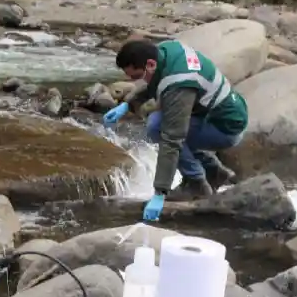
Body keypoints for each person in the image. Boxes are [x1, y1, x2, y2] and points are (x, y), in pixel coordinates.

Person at [102, 39, 249, 221]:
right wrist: (128, 105)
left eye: (137, 76)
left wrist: (159, 193)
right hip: (217, 116)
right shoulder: (166, 50)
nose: (137, 81)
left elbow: (172, 140)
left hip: (225, 128)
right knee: (160, 122)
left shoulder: (179, 85)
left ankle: (196, 183)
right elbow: (156, 81)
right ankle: (213, 171)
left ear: (150, 64)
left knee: (158, 127)